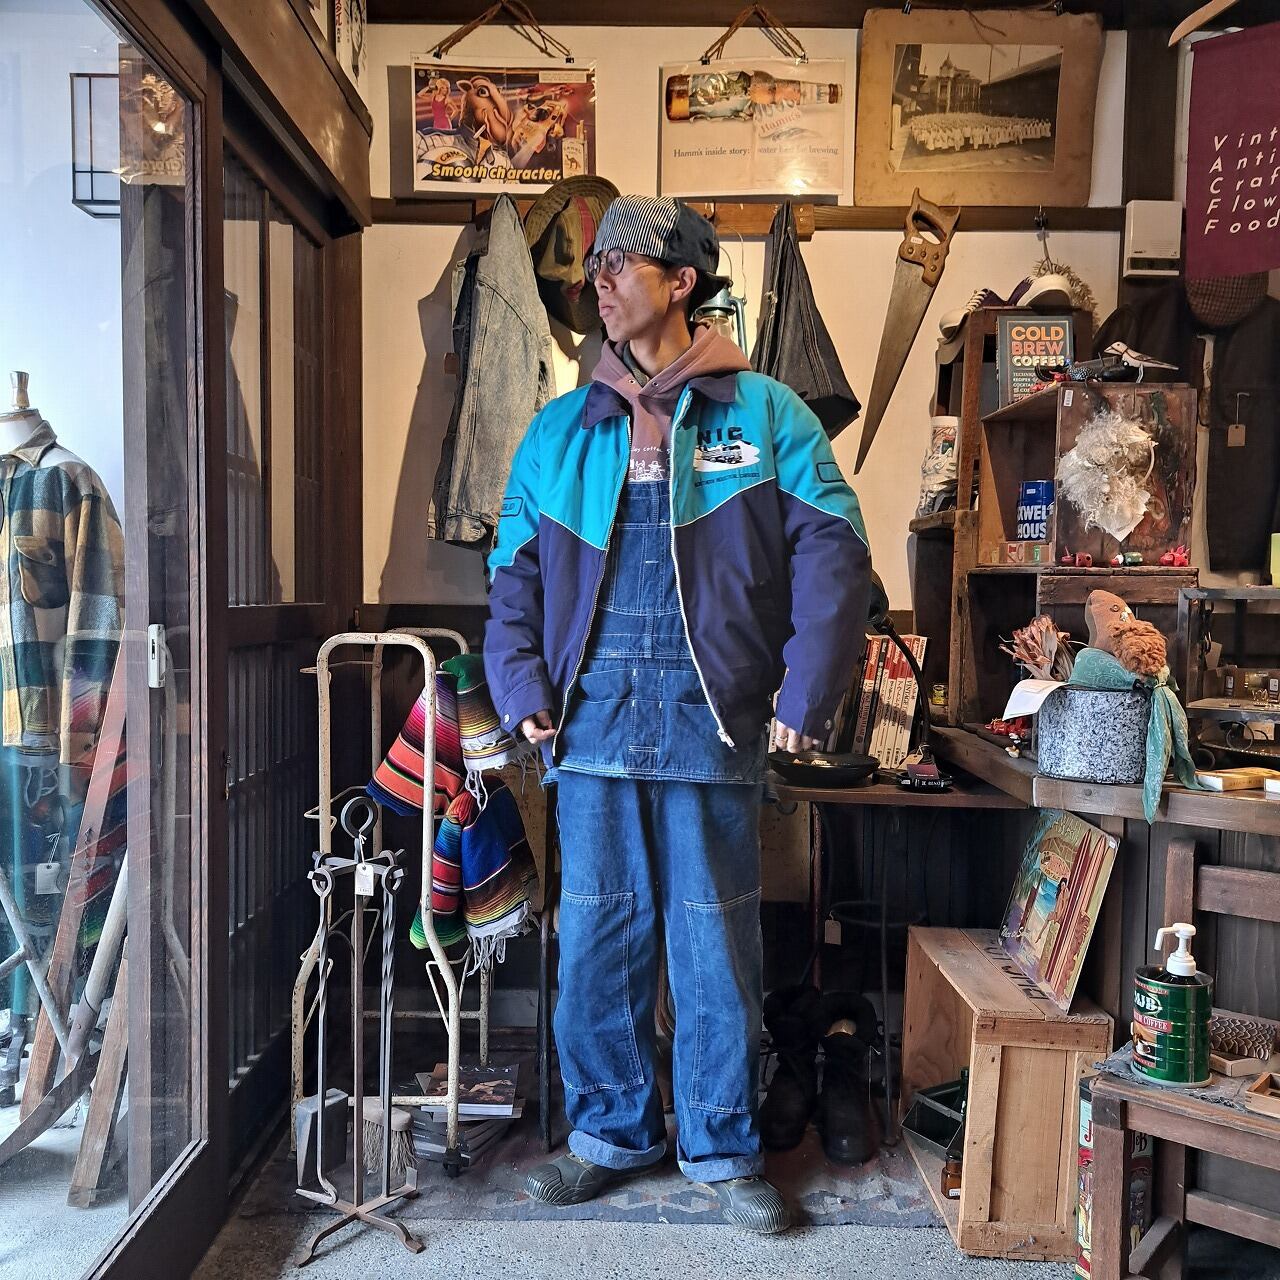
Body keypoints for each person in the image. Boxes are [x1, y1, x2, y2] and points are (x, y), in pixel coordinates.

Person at [483, 195, 872, 1234]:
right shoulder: (559, 431)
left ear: (681, 280)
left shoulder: (769, 414)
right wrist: (521, 692)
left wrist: (806, 691)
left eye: (621, 261)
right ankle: (609, 1135)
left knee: (714, 944)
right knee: (595, 941)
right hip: (589, 725)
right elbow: (511, 578)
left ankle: (721, 1145)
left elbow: (836, 551)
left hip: (714, 720)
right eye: (596, 264)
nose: (599, 279)